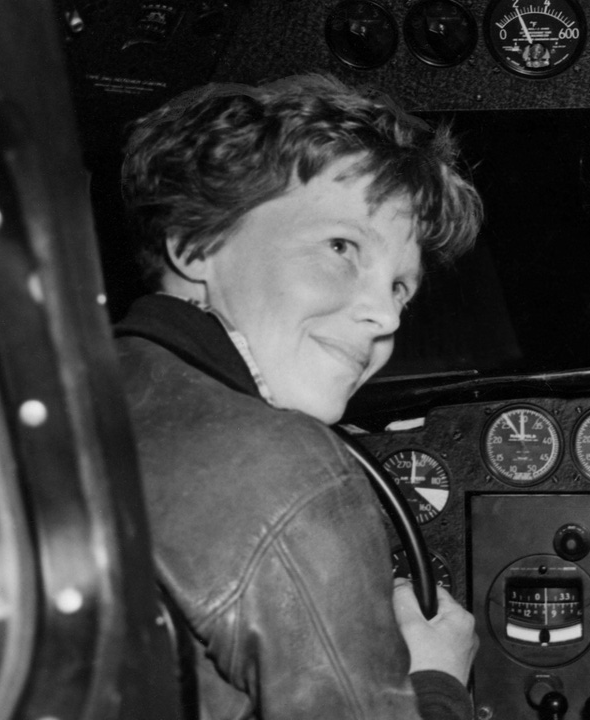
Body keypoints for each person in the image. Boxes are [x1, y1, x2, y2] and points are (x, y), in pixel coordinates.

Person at [111, 73, 483, 720]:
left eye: (400, 288)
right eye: (341, 247)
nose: (386, 317)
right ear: (196, 242)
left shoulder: (78, 397)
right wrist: (437, 682)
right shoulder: (287, 467)